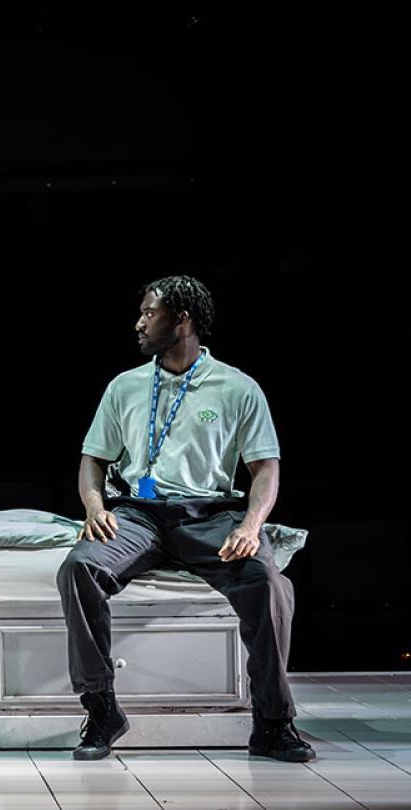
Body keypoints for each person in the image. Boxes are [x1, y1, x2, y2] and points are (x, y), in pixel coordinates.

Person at [58, 275, 313, 762]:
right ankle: (102, 708)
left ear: (182, 319)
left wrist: (251, 525)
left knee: (268, 581)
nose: (139, 322)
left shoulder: (238, 387)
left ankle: (273, 724)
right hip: (140, 514)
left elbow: (265, 469)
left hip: (210, 514)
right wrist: (95, 509)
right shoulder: (125, 386)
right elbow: (93, 460)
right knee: (79, 567)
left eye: (148, 313)